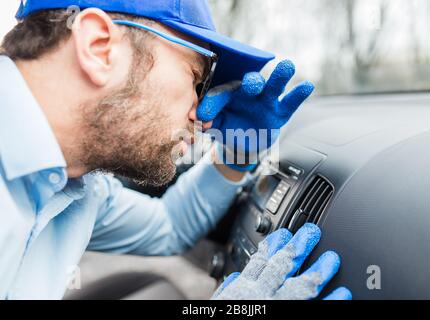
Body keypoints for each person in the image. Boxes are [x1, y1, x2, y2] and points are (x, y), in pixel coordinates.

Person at [0, 0, 351, 300]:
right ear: (99, 47)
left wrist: (237, 153)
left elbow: (169, 225)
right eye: (196, 78)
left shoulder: (76, 184)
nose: (202, 115)